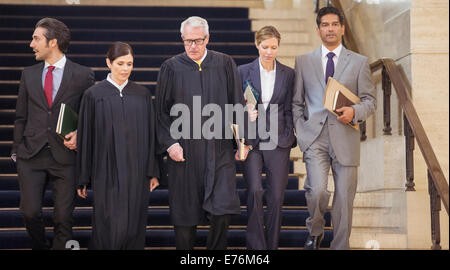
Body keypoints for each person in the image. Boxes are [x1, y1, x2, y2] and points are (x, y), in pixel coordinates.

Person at [155, 16, 247, 250]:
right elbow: (161, 113)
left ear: (208, 38)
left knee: (223, 210)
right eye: (188, 41)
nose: (193, 47)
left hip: (219, 149)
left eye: (197, 41)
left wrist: (242, 142)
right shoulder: (171, 67)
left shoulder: (225, 63)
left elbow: (236, 105)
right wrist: (170, 143)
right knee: (185, 216)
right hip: (184, 151)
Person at [292, 6, 376, 250]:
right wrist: (301, 130)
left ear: (342, 28)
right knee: (317, 190)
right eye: (325, 25)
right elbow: (296, 101)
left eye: (334, 24)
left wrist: (355, 112)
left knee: (344, 199)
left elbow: (370, 101)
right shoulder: (303, 61)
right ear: (318, 30)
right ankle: (315, 230)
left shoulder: (359, 62)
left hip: (346, 136)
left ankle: (341, 246)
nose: (330, 28)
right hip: (314, 138)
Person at [11, 18, 94, 250]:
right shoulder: (28, 74)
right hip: (31, 154)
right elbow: (20, 116)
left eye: (36, 38)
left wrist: (80, 133)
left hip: (66, 157)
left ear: (53, 42)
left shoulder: (83, 74)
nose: (31, 44)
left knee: (63, 219)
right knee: (29, 212)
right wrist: (17, 151)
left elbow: (90, 116)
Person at [76, 42, 160, 250]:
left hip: (137, 171)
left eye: (129, 64)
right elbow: (86, 138)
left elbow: (152, 135)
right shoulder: (94, 95)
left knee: (134, 224)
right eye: (120, 63)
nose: (125, 69)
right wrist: (83, 177)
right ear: (108, 63)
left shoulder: (142, 95)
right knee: (108, 225)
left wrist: (153, 171)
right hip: (105, 171)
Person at [237, 26, 296, 250]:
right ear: (256, 45)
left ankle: (271, 246)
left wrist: (289, 131)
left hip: (279, 141)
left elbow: (291, 106)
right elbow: (233, 105)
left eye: (273, 47)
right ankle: (256, 248)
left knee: (276, 197)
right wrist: (243, 113)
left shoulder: (288, 74)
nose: (269, 52)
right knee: (254, 191)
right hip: (251, 141)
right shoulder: (242, 71)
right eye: (265, 47)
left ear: (278, 47)